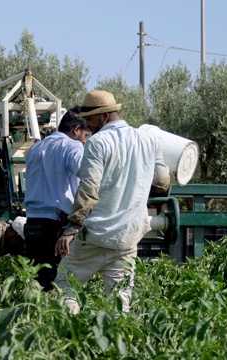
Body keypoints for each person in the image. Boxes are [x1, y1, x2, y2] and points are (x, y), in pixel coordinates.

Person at [54, 90, 170, 314]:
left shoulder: (97, 143)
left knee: (65, 285)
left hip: (95, 236)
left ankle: (68, 338)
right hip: (127, 239)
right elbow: (163, 182)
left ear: (104, 117)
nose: (88, 125)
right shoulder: (149, 140)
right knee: (119, 304)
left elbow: (88, 189)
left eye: (90, 119)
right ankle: (116, 346)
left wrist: (71, 230)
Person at [23, 106, 91, 292]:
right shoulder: (72, 146)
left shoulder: (36, 148)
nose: (85, 142)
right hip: (56, 224)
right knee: (60, 282)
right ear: (76, 130)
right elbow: (87, 174)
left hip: (33, 222)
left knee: (36, 282)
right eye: (85, 136)